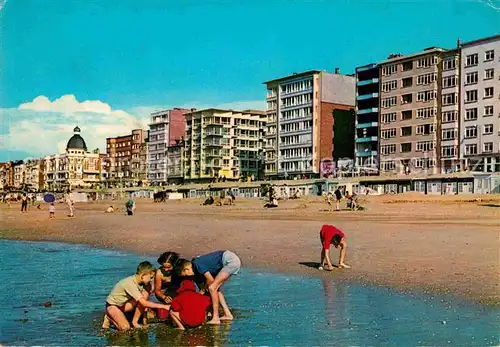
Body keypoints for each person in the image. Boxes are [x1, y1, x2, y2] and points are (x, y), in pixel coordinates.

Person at [102, 261, 170, 331]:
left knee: (145, 294)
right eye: (151, 277)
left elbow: (145, 300)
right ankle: (109, 318)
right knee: (126, 328)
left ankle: (135, 322)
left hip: (124, 305)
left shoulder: (143, 282)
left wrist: (145, 318)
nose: (151, 280)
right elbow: (144, 303)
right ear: (143, 276)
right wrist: (164, 306)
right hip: (113, 306)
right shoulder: (130, 283)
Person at [180, 250, 241, 325]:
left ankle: (215, 317)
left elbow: (210, 280)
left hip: (230, 260)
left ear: (186, 269)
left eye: (185, 275)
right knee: (216, 289)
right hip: (230, 261)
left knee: (212, 288)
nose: (188, 277)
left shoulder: (197, 263)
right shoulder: (197, 271)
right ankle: (227, 314)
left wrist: (203, 289)